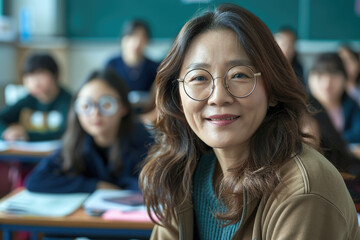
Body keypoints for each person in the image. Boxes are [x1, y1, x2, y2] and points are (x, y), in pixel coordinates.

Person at [139, 3, 359, 239]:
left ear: (273, 90)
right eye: (199, 78)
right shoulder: (185, 171)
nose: (218, 97)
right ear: (178, 95)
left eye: (240, 75)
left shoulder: (305, 189)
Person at [25, 68, 153, 193]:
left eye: (106, 104)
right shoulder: (76, 141)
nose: (95, 113)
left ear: (123, 107)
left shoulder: (143, 140)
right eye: (86, 105)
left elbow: (156, 186)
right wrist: (96, 186)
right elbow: (35, 180)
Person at [0, 52, 72, 141]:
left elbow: (66, 132)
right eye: (29, 76)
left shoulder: (68, 100)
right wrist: (6, 132)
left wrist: (27, 135)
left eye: (40, 73)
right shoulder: (28, 100)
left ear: (55, 75)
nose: (35, 81)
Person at [105, 19, 159, 124]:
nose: (137, 42)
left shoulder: (155, 67)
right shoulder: (112, 64)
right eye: (132, 36)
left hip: (146, 119)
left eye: (142, 37)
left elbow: (158, 101)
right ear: (123, 39)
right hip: (117, 117)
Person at [308, 53, 360, 146]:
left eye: (334, 75)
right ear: (310, 79)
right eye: (320, 76)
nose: (327, 82)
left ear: (345, 79)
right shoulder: (303, 108)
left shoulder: (351, 105)